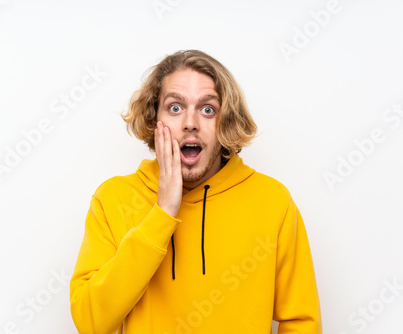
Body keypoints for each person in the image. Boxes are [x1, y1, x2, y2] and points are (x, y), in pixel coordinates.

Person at [70, 49, 322, 334]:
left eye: (207, 109)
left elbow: (301, 322)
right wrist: (162, 213)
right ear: (155, 119)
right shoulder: (113, 198)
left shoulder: (273, 201)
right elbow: (90, 322)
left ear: (225, 121)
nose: (190, 123)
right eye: (175, 107)